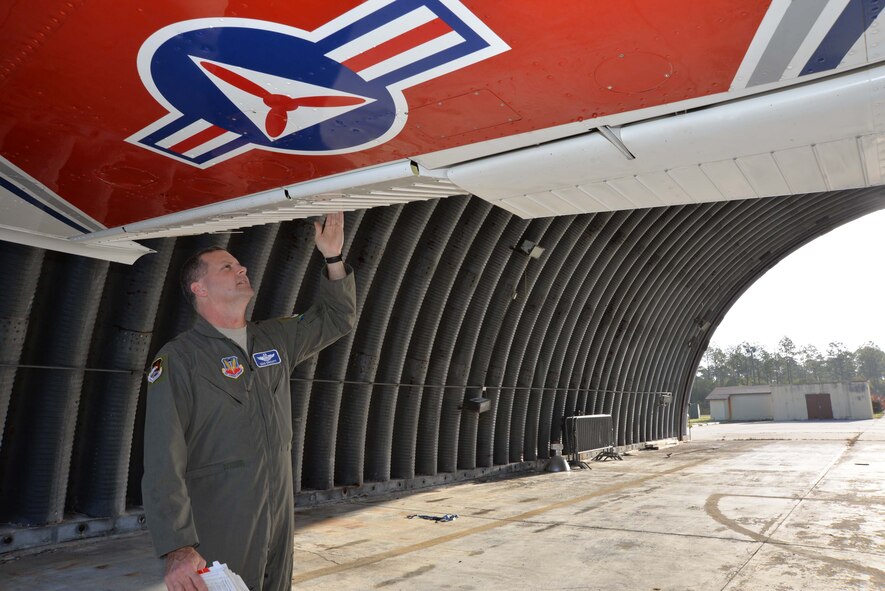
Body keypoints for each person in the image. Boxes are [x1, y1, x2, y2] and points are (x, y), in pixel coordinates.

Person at [142, 212, 356, 591]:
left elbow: (337, 317)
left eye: (240, 265)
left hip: (278, 513)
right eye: (227, 267)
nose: (242, 269)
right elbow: (163, 457)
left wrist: (333, 257)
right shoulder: (179, 359)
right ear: (199, 288)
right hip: (221, 520)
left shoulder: (274, 339)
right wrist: (178, 546)